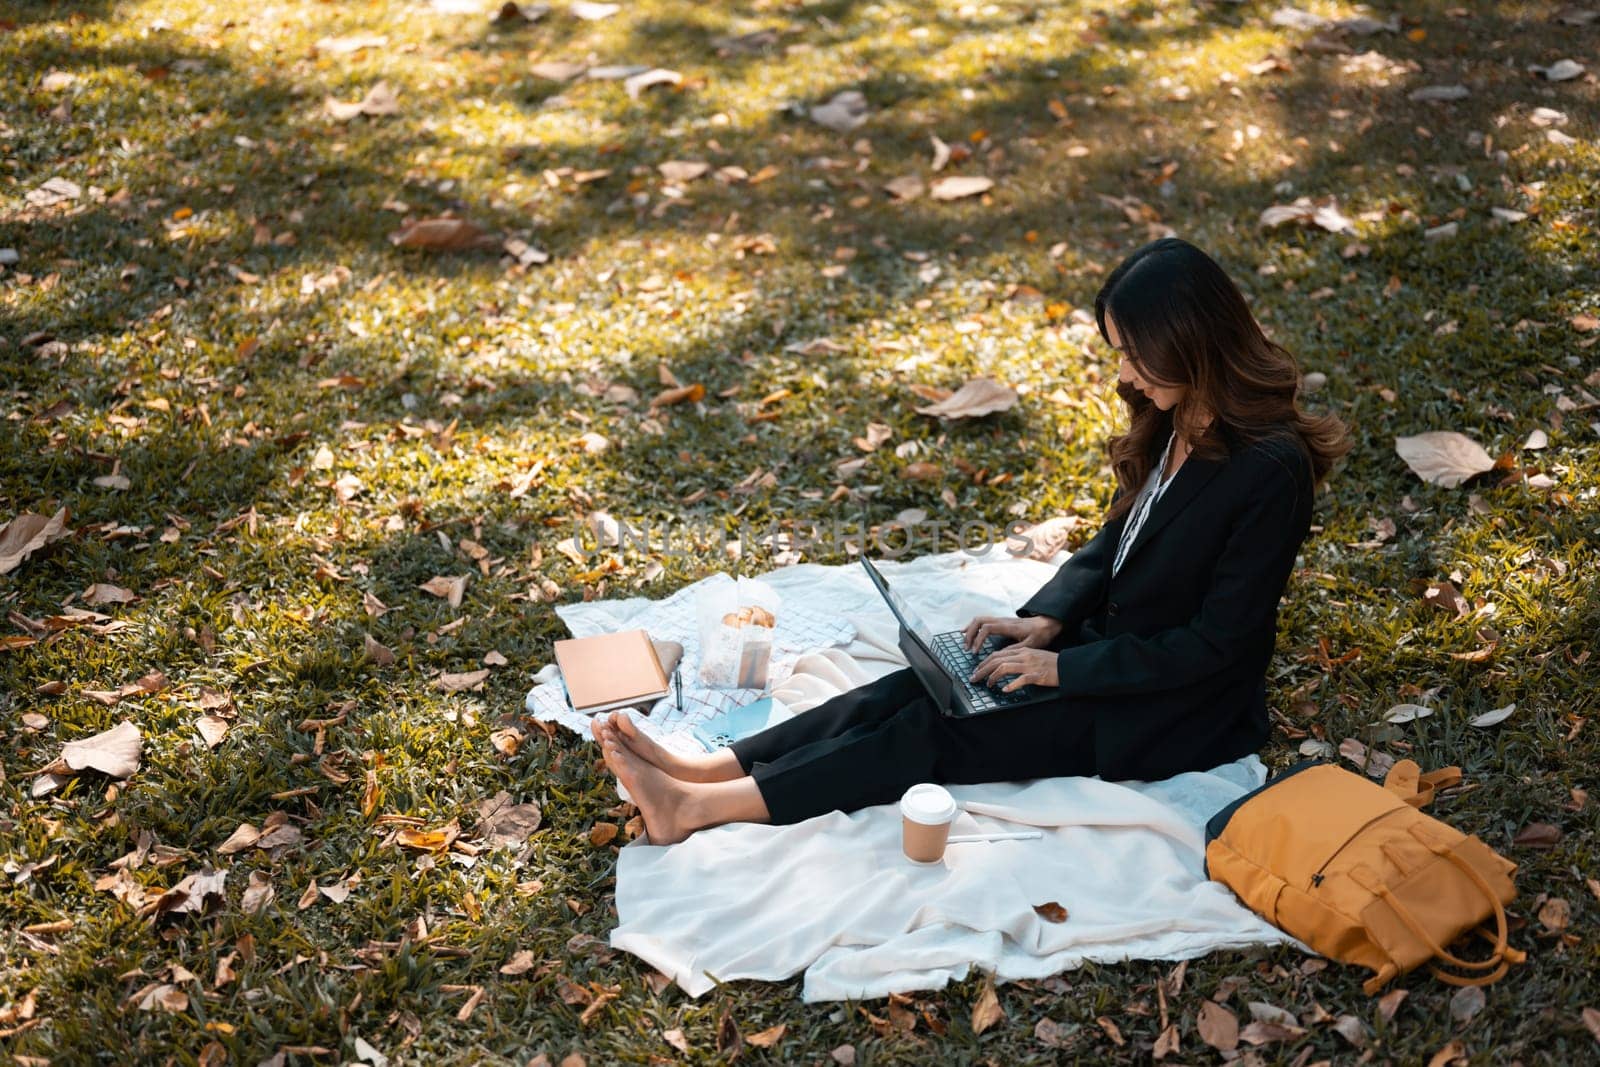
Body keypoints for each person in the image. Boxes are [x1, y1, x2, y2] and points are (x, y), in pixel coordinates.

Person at [591, 236, 1352, 845]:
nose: (1123, 373)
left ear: (1190, 343)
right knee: (913, 683)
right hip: (1096, 649)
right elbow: (1118, 540)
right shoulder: (1176, 414)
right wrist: (1047, 618)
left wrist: (1061, 668)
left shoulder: (1268, 469)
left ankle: (697, 810)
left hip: (1168, 706)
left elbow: (1216, 644)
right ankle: (707, 767)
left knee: (930, 730)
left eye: (1133, 353)